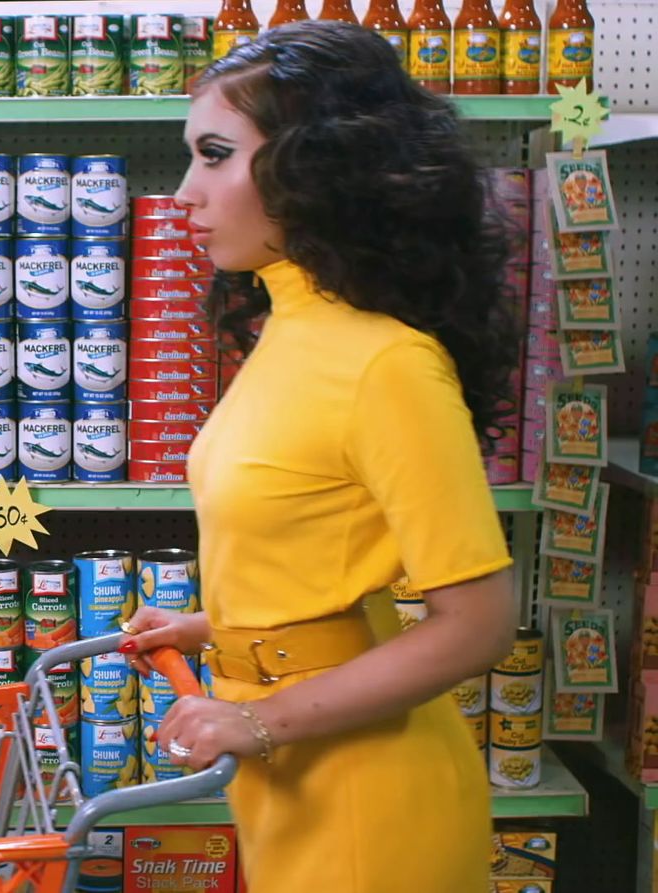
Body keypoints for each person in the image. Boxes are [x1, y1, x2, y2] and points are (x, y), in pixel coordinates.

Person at [122, 21, 521, 893]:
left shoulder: (384, 362)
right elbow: (324, 548)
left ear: (315, 170)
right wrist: (215, 631)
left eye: (215, 154)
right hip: (292, 779)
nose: (184, 191)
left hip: (368, 802)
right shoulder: (289, 329)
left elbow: (480, 622)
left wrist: (256, 717)